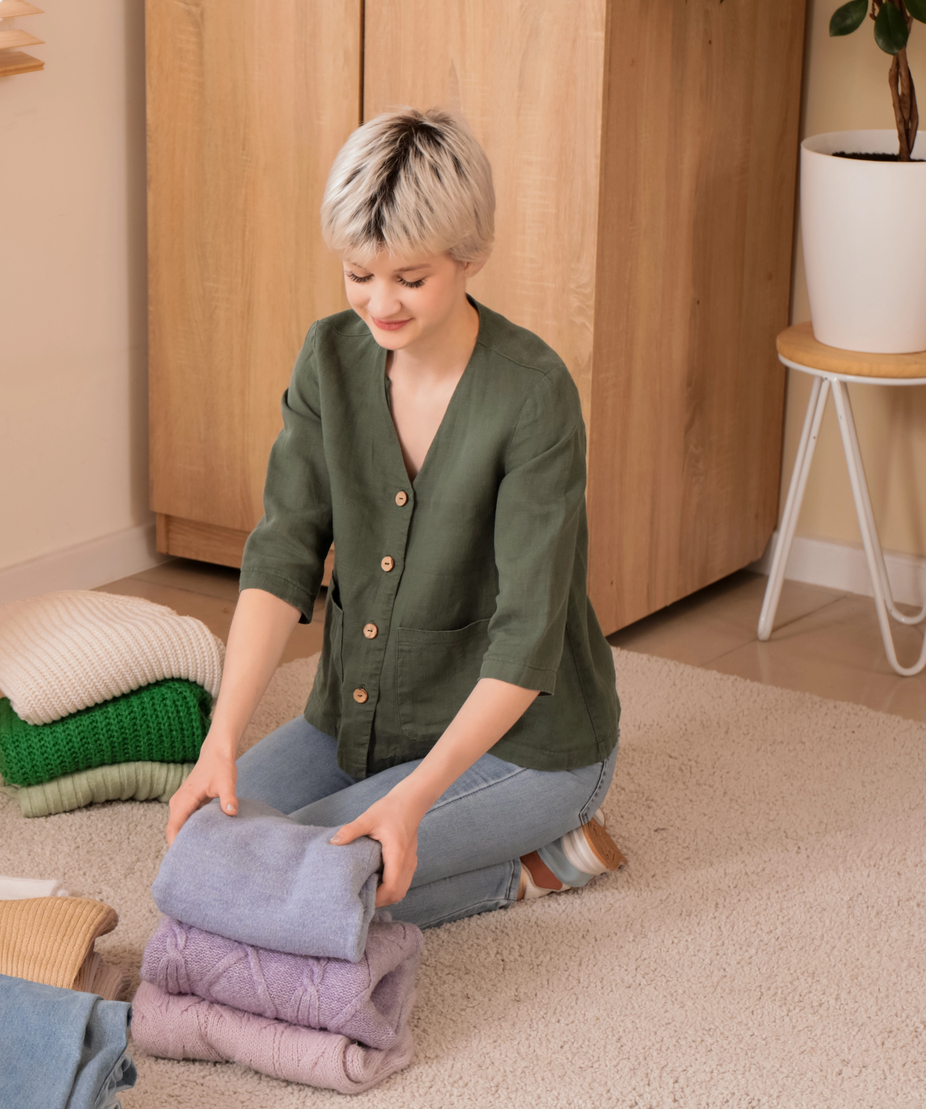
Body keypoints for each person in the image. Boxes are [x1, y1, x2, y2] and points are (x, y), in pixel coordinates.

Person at [164, 106, 624, 928]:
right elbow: (282, 556)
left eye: (410, 279)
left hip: (529, 750)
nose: (381, 304)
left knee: (301, 877)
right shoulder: (328, 359)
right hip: (357, 723)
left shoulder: (533, 394)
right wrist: (222, 739)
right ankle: (434, 865)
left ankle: (536, 860)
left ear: (470, 255)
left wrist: (412, 803)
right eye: (358, 273)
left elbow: (527, 640)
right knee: (201, 845)